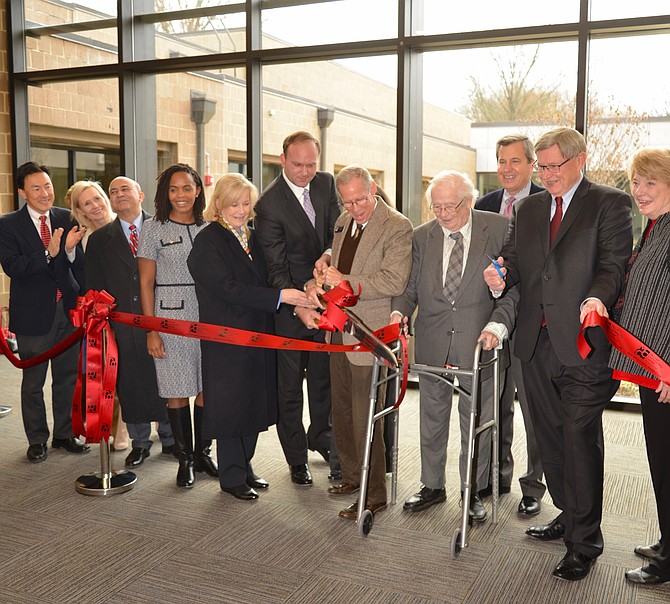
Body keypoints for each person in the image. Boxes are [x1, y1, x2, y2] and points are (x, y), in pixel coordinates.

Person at [483, 127, 633, 581]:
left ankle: (584, 543)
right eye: (542, 167)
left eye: (554, 166)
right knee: (550, 439)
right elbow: (513, 259)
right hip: (534, 342)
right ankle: (570, 514)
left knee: (579, 438)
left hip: (584, 342)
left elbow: (613, 265)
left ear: (580, 160)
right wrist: (500, 275)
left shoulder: (608, 203)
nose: (546, 175)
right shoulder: (528, 208)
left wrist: (597, 299)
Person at [392, 170, 516, 523]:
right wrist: (399, 311)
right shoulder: (422, 236)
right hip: (432, 339)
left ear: (470, 201)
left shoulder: (500, 228)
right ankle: (432, 485)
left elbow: (516, 287)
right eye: (437, 207)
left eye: (450, 207)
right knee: (431, 418)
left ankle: (472, 491)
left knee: (475, 418)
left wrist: (499, 323)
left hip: (480, 340)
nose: (443, 214)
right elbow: (410, 286)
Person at [188, 173, 314, 500]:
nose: (241, 210)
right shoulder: (207, 240)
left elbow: (272, 276)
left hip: (259, 335)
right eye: (234, 204)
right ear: (218, 205)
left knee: (254, 402)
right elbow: (227, 289)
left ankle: (244, 466)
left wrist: (300, 295)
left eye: (246, 203)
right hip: (227, 339)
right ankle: (231, 477)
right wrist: (279, 298)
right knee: (231, 406)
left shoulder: (253, 236)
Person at [306, 164, 412, 519]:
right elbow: (340, 254)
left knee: (367, 416)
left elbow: (394, 281)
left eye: (361, 199)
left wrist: (345, 281)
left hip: (371, 333)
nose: (355, 208)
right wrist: (325, 262)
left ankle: (374, 493)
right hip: (338, 329)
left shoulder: (397, 226)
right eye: (348, 202)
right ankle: (353, 476)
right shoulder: (342, 222)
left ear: (374, 189)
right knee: (344, 410)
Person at [255, 131, 341, 485]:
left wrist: (327, 255)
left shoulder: (326, 183)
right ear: (282, 160)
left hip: (326, 301)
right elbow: (276, 269)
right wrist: (300, 304)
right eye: (298, 165)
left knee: (324, 380)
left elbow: (338, 230)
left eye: (311, 164)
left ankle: (321, 437)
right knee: (289, 388)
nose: (306, 172)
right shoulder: (268, 204)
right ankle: (295, 458)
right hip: (290, 308)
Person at [607, 148, 670, 586]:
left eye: (650, 182)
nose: (640, 191)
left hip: (667, 373)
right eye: (636, 182)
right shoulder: (653, 228)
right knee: (660, 460)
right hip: (652, 369)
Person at [475, 134, 546, 517]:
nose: (506, 168)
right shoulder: (483, 205)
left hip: (531, 321)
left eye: (515, 161)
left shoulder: (545, 204)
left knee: (532, 408)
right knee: (494, 402)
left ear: (532, 164)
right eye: (501, 160)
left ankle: (534, 486)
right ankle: (495, 475)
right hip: (489, 321)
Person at [0, 162, 89, 462]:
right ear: (23, 192)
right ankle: (37, 439)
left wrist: (70, 251)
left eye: (48, 186)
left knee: (66, 378)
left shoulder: (67, 218)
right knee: (34, 381)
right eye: (36, 188)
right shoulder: (8, 224)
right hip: (33, 316)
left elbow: (78, 267)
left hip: (67, 312)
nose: (44, 193)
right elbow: (14, 267)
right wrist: (49, 253)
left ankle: (64, 435)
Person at [85, 176, 174, 468]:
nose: (119, 194)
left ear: (141, 194)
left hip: (163, 319)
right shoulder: (100, 240)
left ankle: (171, 438)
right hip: (122, 324)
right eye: (113, 191)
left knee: (164, 378)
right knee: (131, 382)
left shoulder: (163, 228)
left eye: (125, 189)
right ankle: (139, 443)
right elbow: (94, 286)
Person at [138, 163, 215, 488]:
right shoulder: (153, 228)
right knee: (175, 389)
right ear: (164, 193)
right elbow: (145, 283)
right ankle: (184, 460)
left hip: (209, 316)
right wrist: (151, 329)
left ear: (198, 190)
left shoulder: (210, 227)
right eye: (173, 189)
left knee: (205, 387)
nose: (180, 195)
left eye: (187, 188)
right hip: (169, 318)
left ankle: (202, 453)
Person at [67, 180, 128, 452]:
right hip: (104, 316)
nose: (95, 206)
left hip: (136, 311)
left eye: (97, 198)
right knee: (113, 375)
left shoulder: (129, 223)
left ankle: (142, 429)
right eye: (87, 203)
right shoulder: (85, 240)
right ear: (80, 211)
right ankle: (121, 429)